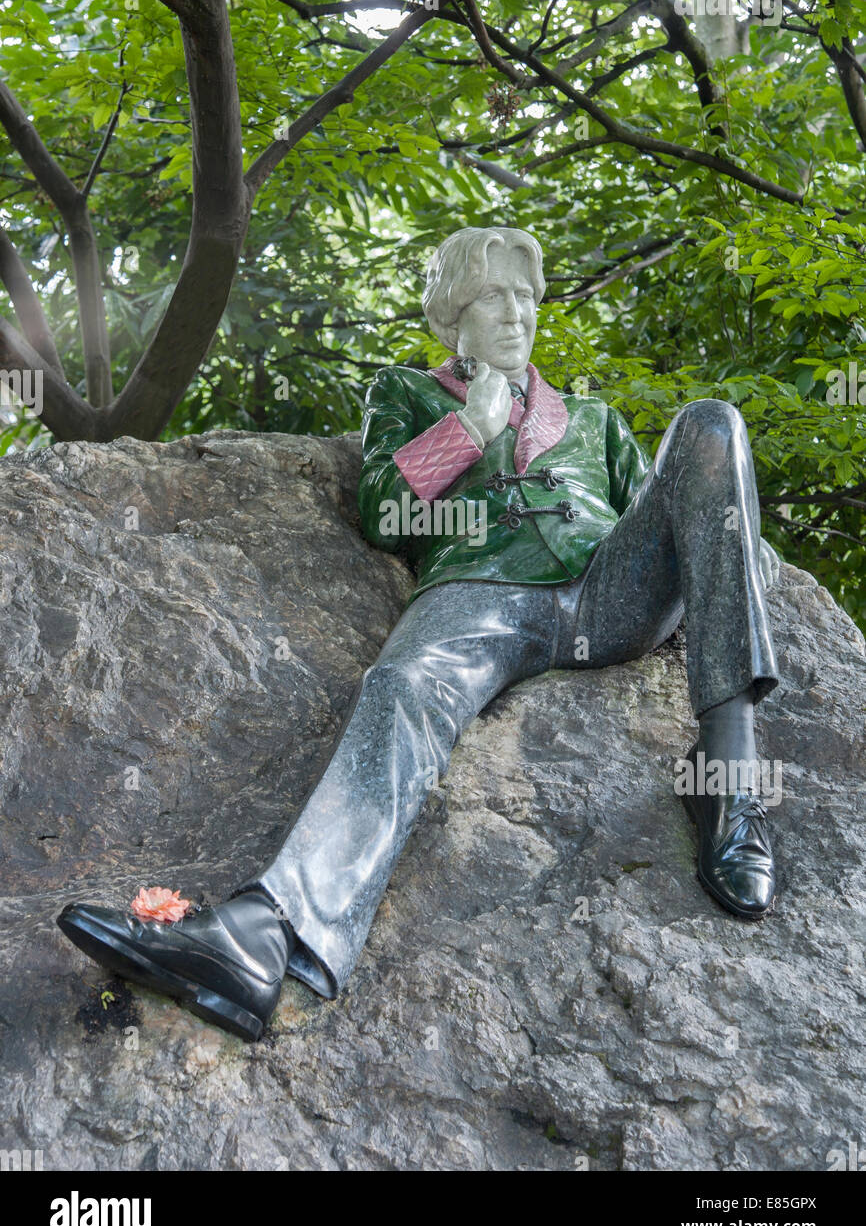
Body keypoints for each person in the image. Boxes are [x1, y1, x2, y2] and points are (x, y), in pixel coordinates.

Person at [58, 226, 781, 1043]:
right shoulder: (405, 393)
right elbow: (384, 513)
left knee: (714, 422)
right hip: (479, 591)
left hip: (611, 593)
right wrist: (470, 426)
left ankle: (730, 781)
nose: (516, 314)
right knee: (400, 685)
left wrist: (737, 548)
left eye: (525, 296)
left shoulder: (598, 421)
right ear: (451, 317)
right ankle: (264, 937)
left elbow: (692, 525)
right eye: (490, 298)